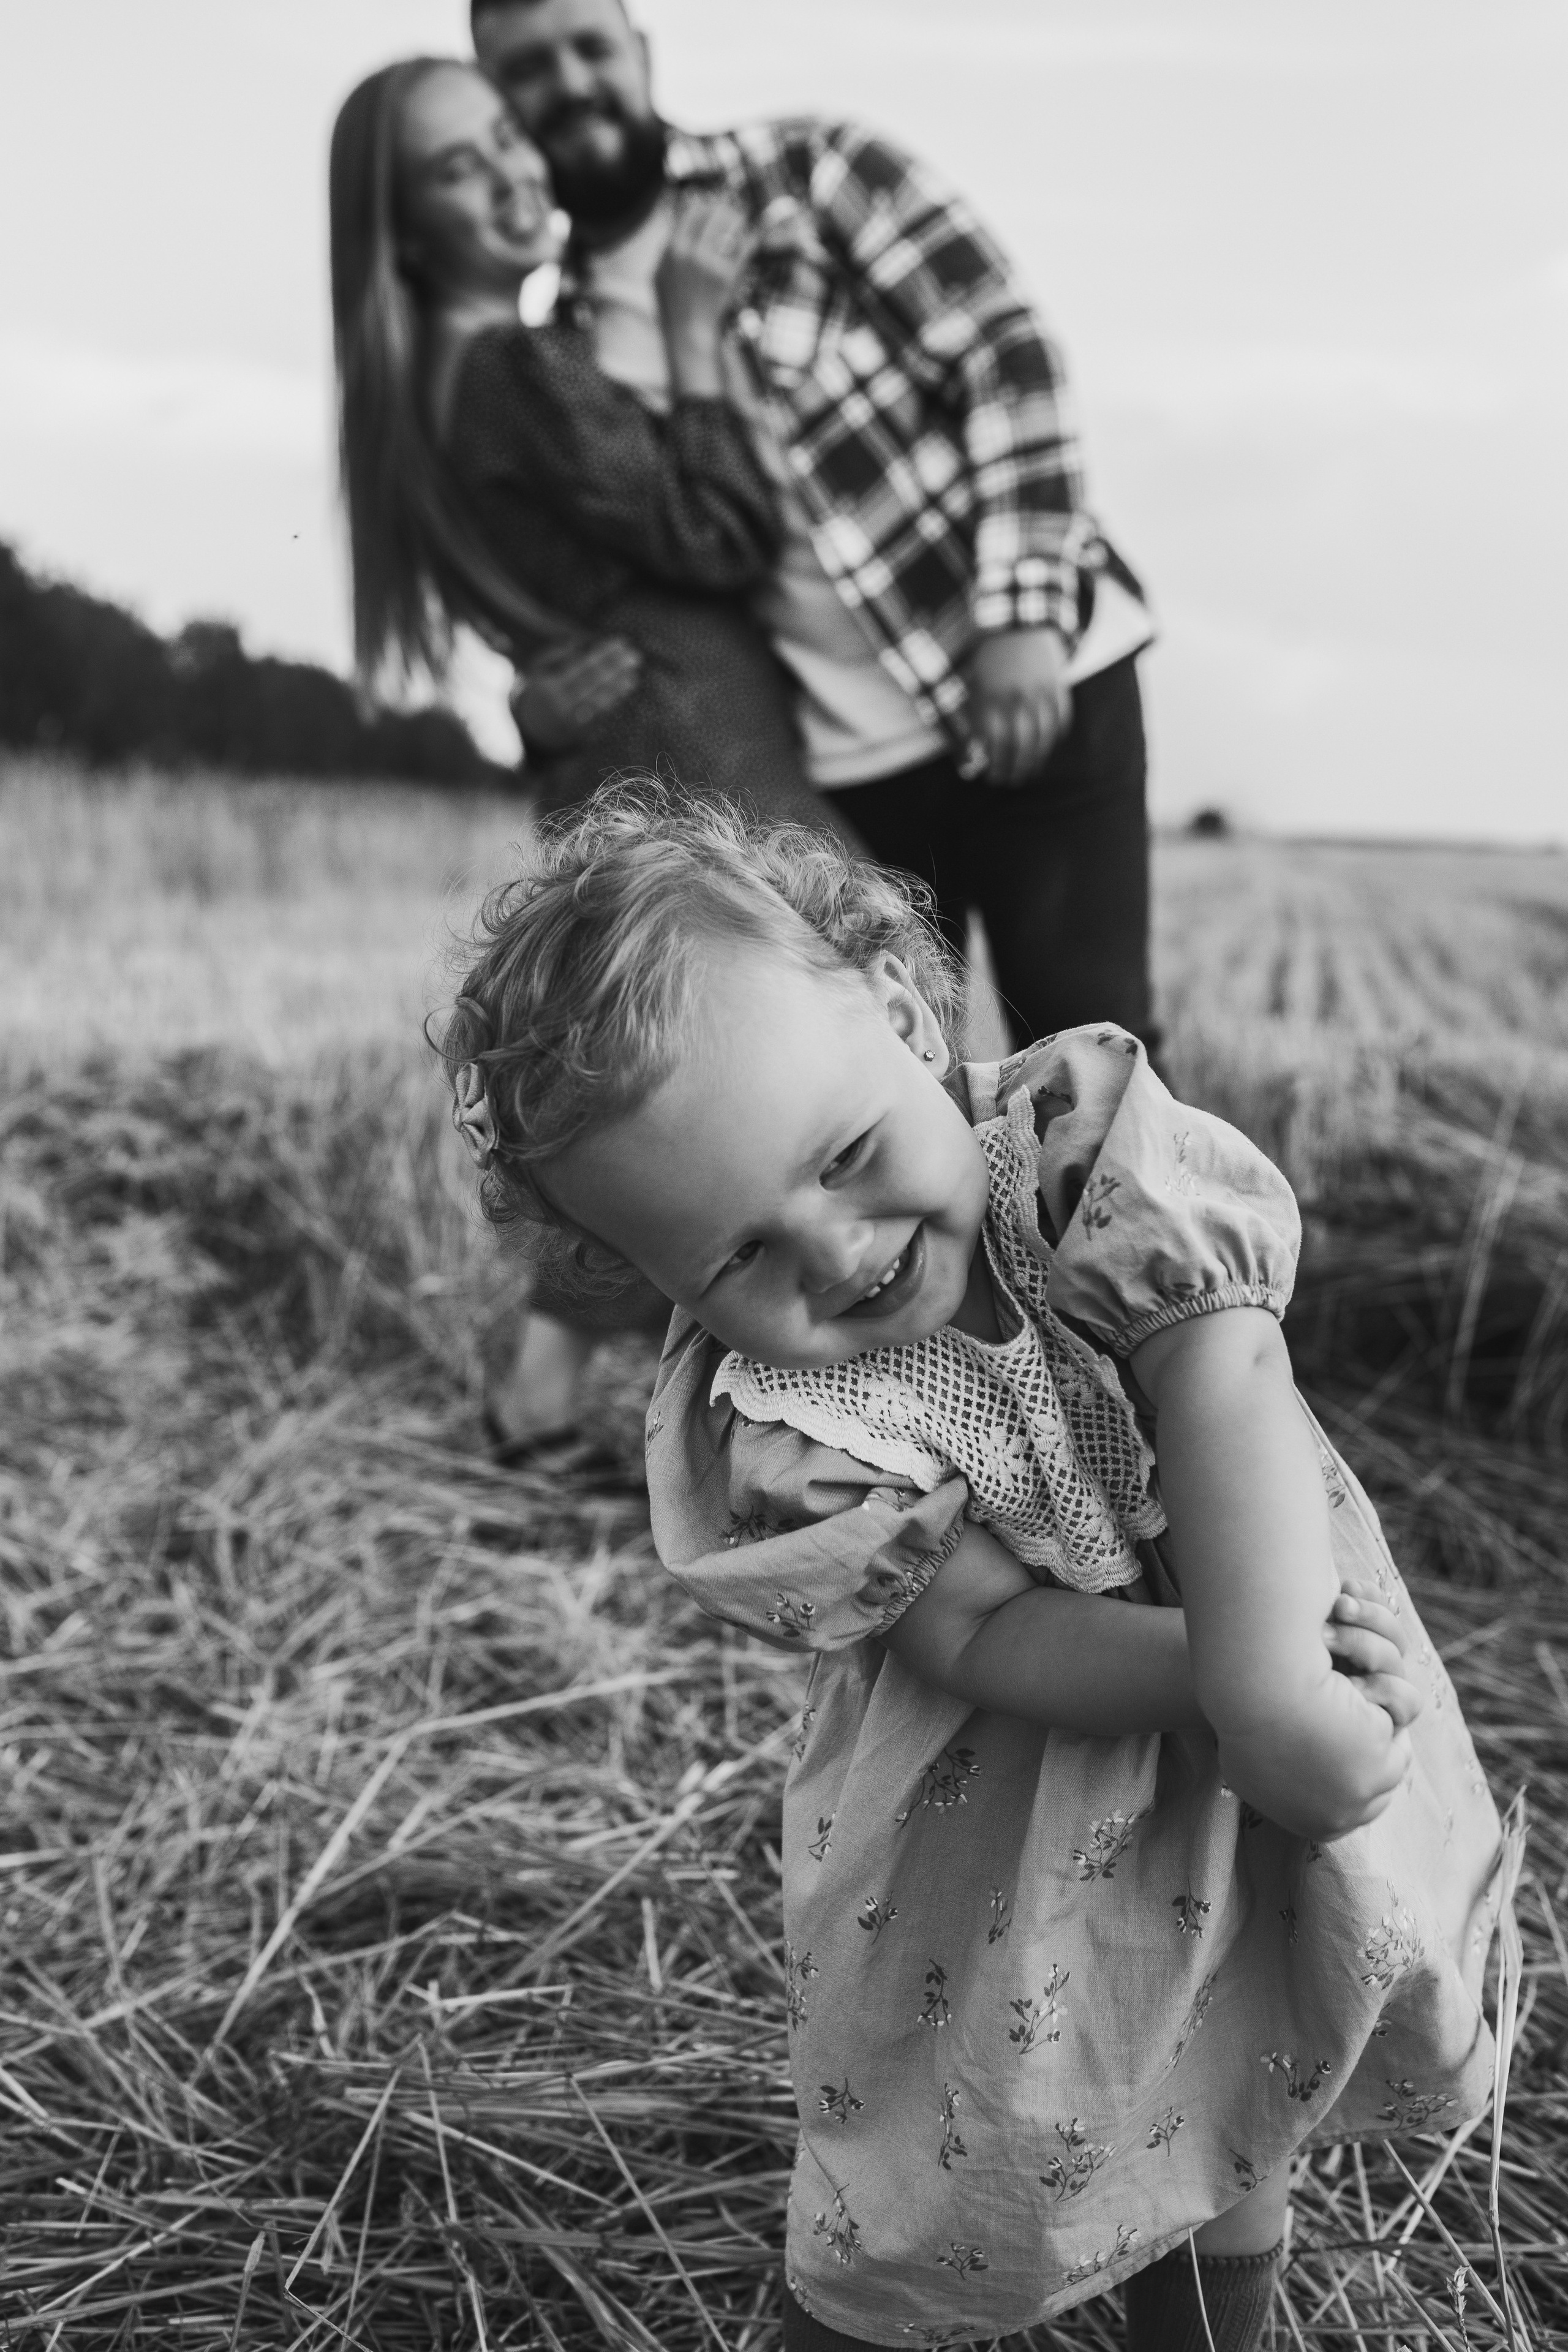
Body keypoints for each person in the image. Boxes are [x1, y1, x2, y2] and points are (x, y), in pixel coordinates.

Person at [438, 785, 1509, 2351]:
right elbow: (983, 1632)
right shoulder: (792, 1426)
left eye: (846, 1152)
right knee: (953, 2137)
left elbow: (1226, 1376)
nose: (830, 1250)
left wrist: (1274, 1686)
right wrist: (1218, 1687)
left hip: (1273, 1637)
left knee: (1242, 2059)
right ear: (649, 1281)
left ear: (895, 1010)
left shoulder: (1081, 1156)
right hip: (1019, 1818)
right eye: (735, 1255)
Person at [331, 57, 862, 1449]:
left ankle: (545, 1395)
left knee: (654, 1073)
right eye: (460, 165)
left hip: (630, 747)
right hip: (695, 745)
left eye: (509, 139)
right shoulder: (506, 372)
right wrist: (693, 335)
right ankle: (843, 1416)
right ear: (403, 227)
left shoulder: (431, 384)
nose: (514, 172)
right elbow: (717, 531)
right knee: (821, 1051)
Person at [473, 0, 1160, 1054]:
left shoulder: (811, 176)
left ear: (642, 55)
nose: (568, 83)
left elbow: (1003, 353)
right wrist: (535, 697)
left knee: (1092, 1067)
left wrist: (1023, 612)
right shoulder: (555, 352)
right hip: (839, 781)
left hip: (1038, 691)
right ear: (497, 103)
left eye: (590, 47)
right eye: (527, 68)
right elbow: (606, 586)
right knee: (890, 1094)